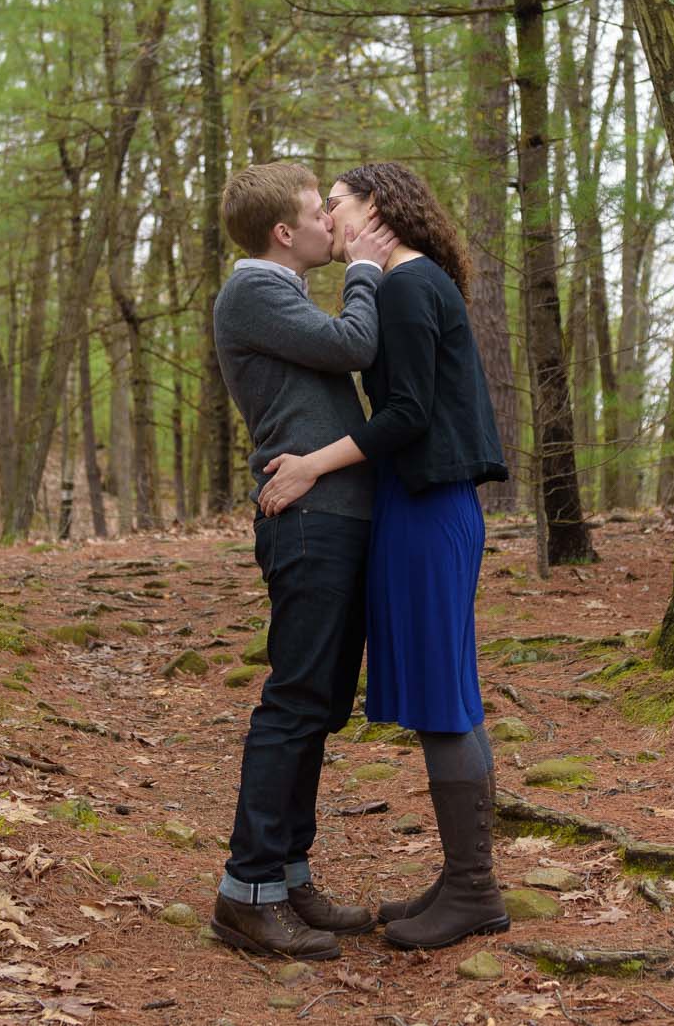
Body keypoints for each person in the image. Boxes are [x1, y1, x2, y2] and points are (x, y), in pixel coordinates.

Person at [259, 162, 511, 951]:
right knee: (449, 691)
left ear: (376, 208)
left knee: (444, 697)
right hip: (423, 505)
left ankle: (474, 888)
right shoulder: (415, 281)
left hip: (429, 508)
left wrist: (311, 463)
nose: (327, 217)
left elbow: (407, 412)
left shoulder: (405, 285)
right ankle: (464, 875)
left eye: (335, 203)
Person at [207, 160, 397, 961]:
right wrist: (364, 267)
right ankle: (246, 891)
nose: (332, 222)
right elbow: (355, 343)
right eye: (322, 212)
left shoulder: (279, 291)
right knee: (294, 703)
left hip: (335, 513)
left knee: (319, 706)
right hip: (308, 520)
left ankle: (287, 874)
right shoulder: (253, 290)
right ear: (285, 232)